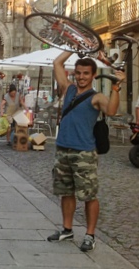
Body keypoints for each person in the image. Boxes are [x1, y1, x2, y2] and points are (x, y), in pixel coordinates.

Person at [49, 51, 125, 252]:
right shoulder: (69, 89)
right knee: (66, 193)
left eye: (86, 73)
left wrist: (117, 87)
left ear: (93, 75)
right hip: (63, 149)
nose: (81, 77)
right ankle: (67, 229)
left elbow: (111, 111)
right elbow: (57, 62)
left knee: (89, 195)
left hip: (84, 153)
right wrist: (73, 46)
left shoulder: (97, 97)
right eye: (79, 73)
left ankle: (90, 235)